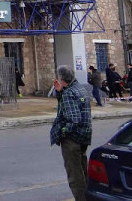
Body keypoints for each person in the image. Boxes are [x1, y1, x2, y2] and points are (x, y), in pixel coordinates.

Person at [50, 65, 92, 201]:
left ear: (62, 79)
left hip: (72, 139)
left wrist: (62, 132)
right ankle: (89, 196)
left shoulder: (69, 93)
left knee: (74, 174)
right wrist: (60, 92)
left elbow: (73, 119)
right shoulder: (80, 88)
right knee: (83, 169)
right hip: (84, 136)